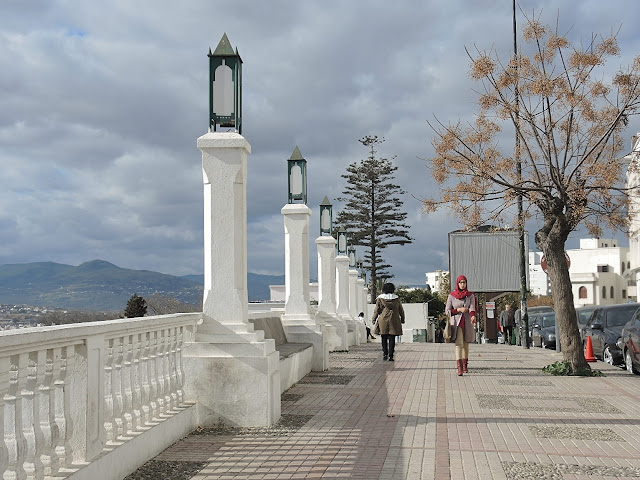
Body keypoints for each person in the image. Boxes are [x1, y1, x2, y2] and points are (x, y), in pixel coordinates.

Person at [445, 275, 477, 376]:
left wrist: (472, 316)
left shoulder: (470, 295)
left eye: (464, 282)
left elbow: (472, 308)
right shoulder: (452, 295)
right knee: (459, 345)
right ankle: (459, 368)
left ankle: (465, 366)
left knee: (466, 344)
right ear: (458, 283)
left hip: (467, 322)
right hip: (456, 323)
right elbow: (447, 311)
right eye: (461, 282)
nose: (463, 284)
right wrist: (458, 310)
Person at [372, 282, 405, 361]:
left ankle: (385, 353)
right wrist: (402, 319)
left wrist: (374, 319)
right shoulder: (396, 299)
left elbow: (377, 310)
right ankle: (391, 355)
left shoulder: (380, 299)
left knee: (383, 337)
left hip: (383, 320)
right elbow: (401, 310)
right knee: (392, 338)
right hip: (394, 320)